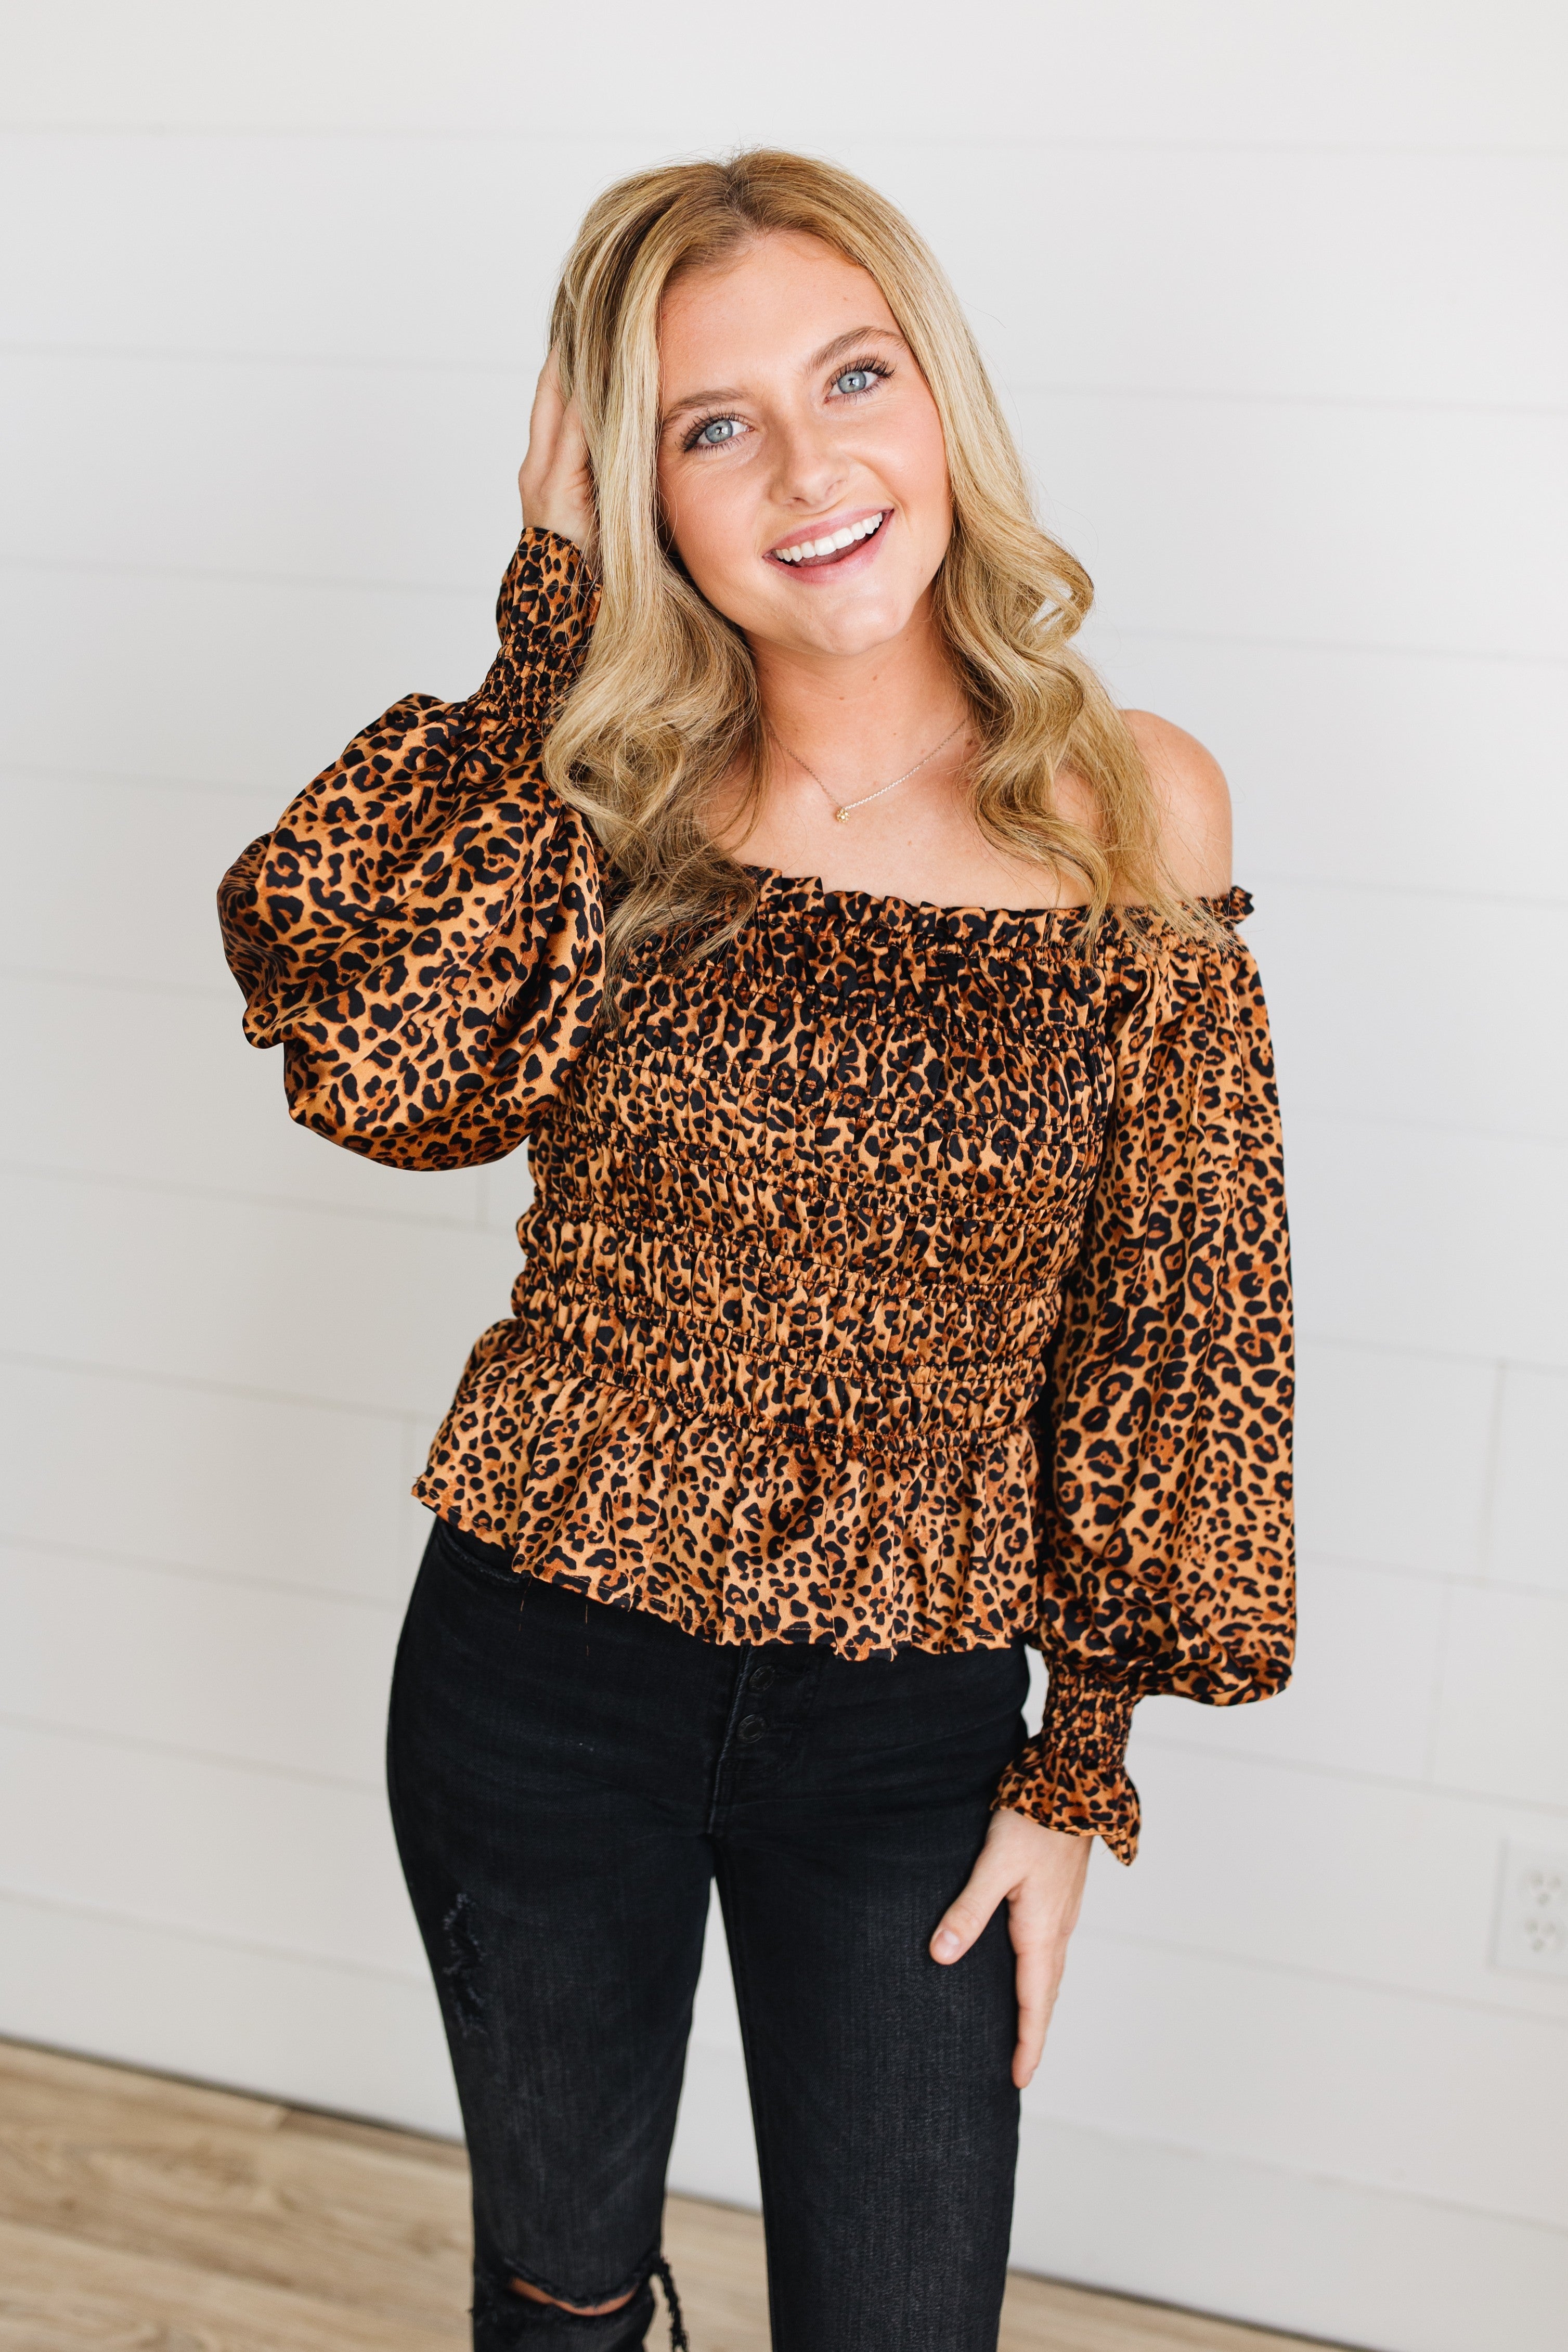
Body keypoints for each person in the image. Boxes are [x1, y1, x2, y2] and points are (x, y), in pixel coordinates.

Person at [219, 151, 1294, 2352]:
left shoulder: (1135, 809)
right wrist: (543, 605)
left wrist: (1076, 1764)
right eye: (714, 424)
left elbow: (1180, 1323)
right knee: (560, 2298)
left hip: (908, 1730)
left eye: (853, 379)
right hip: (536, 1677)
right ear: (639, 486)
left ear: (942, 399)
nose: (809, 470)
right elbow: (376, 1058)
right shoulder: (601, 804)